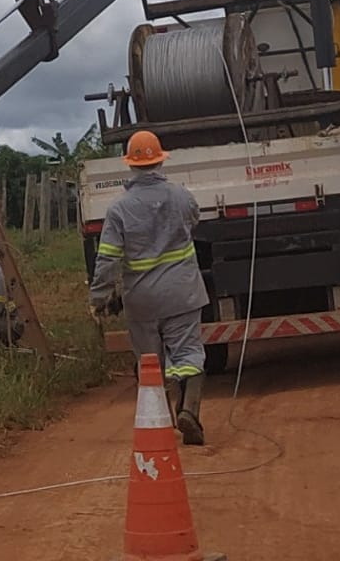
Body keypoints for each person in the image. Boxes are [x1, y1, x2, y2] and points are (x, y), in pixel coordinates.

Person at [89, 129, 208, 445]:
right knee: (189, 353)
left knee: (151, 362)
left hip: (141, 300)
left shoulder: (118, 209)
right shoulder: (181, 196)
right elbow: (194, 220)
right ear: (159, 160)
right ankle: (190, 411)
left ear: (130, 165)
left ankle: (160, 424)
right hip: (182, 292)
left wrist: (99, 297)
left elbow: (108, 257)